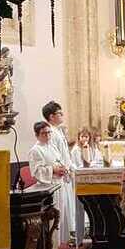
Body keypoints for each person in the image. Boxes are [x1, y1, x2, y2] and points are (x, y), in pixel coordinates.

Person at [27, 122, 72, 247]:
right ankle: (52, 248)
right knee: (53, 218)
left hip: (59, 184)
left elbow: (59, 161)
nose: (47, 135)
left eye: (49, 132)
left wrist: (63, 168)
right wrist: (53, 170)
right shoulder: (35, 150)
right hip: (48, 187)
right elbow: (36, 171)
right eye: (44, 133)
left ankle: (60, 244)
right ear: (37, 135)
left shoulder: (52, 146)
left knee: (61, 215)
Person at [42, 101, 74, 241]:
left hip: (64, 173)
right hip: (57, 176)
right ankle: (57, 241)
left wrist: (69, 167)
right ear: (51, 116)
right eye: (59, 113)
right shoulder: (50, 132)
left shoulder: (57, 130)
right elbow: (52, 154)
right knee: (59, 207)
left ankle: (65, 239)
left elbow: (64, 152)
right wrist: (61, 167)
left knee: (66, 207)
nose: (62, 115)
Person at [70, 127, 93, 245]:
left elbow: (92, 160)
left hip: (89, 178)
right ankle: (79, 236)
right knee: (79, 206)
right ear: (79, 137)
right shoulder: (75, 150)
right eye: (82, 136)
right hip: (79, 178)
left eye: (86, 136)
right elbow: (73, 164)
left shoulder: (91, 148)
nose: (84, 139)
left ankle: (89, 230)